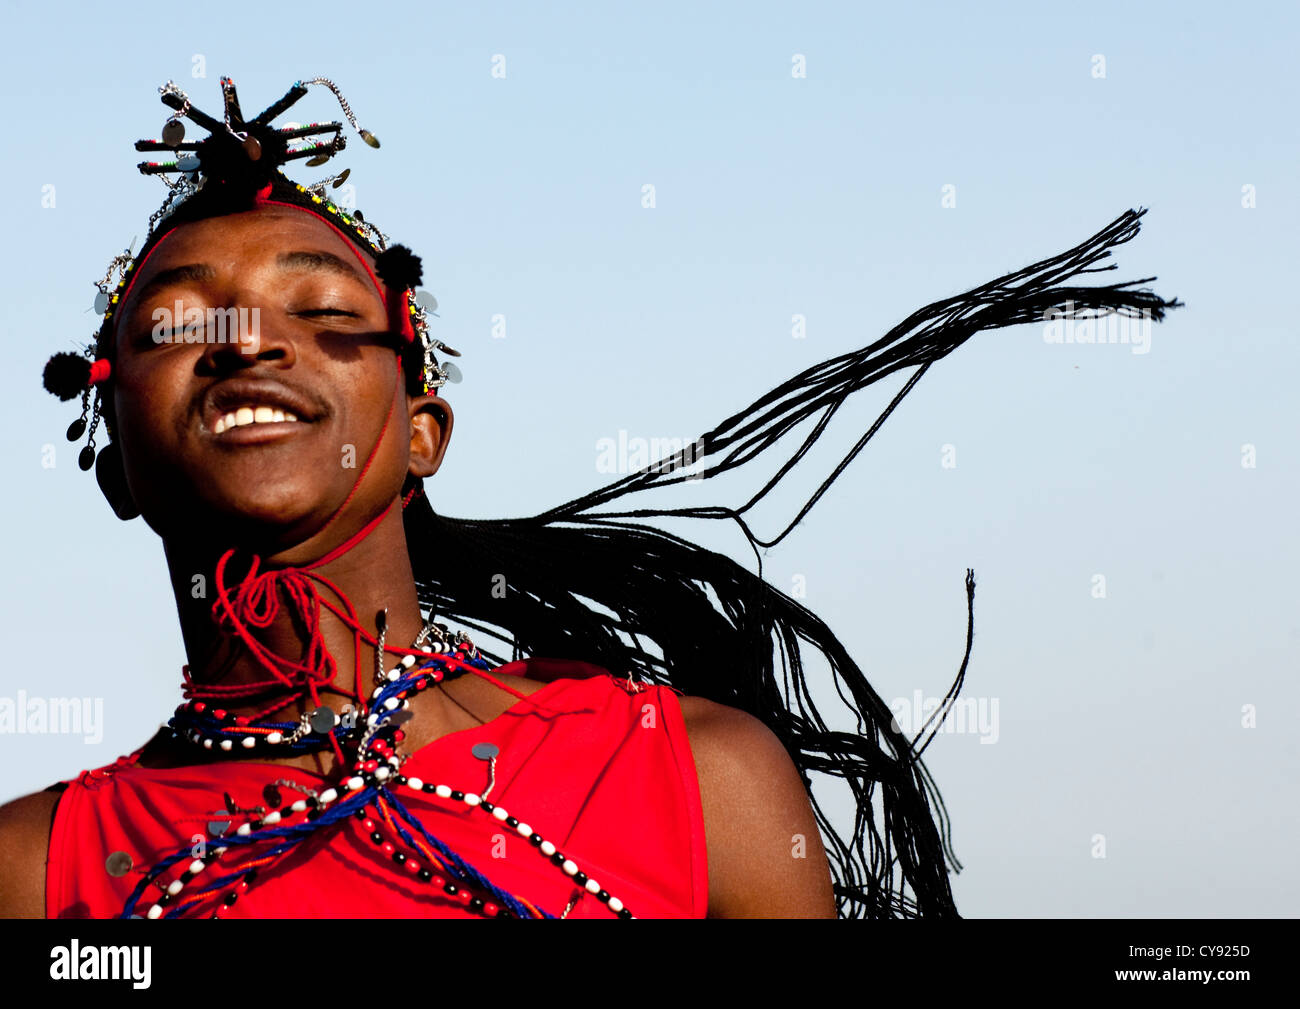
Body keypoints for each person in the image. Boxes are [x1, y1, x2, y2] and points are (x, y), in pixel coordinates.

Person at [0, 76, 1180, 919]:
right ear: (113, 457)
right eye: (178, 326)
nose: (249, 342)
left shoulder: (694, 775)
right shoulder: (34, 867)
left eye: (319, 315)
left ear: (422, 435)